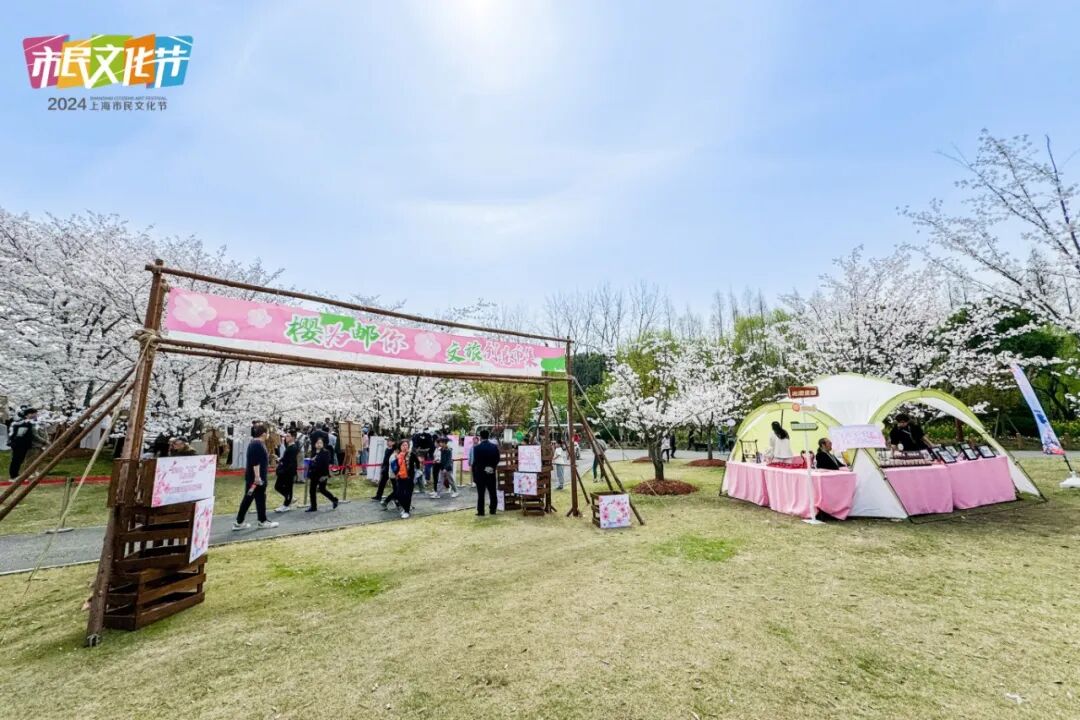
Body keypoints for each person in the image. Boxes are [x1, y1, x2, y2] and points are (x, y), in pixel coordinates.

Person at [233, 425, 279, 531]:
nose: (268, 435)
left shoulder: (256, 444)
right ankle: (261, 521)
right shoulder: (257, 444)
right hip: (256, 479)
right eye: (268, 433)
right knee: (257, 498)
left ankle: (240, 522)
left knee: (251, 498)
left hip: (254, 478)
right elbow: (255, 462)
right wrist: (257, 477)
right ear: (264, 433)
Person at [385, 439, 419, 519]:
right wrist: (396, 473)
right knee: (399, 494)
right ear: (400, 447)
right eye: (403, 445)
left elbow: (417, 463)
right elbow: (396, 466)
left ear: (408, 446)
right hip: (400, 478)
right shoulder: (399, 455)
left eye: (406, 445)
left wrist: (416, 470)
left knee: (408, 495)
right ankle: (405, 508)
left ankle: (406, 511)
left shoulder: (412, 454)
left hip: (409, 478)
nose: (404, 447)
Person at [472, 429, 501, 516]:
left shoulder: (476, 448)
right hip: (491, 472)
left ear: (480, 437)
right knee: (492, 492)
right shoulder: (494, 447)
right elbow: (497, 459)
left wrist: (475, 474)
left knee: (481, 494)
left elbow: (476, 462)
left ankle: (481, 511)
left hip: (480, 473)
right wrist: (492, 467)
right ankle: (493, 510)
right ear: (488, 436)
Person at [305, 437, 339, 512]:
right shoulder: (313, 452)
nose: (319, 444)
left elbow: (325, 465)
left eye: (320, 443)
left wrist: (325, 475)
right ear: (314, 444)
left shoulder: (326, 452)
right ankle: (313, 507)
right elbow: (311, 463)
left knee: (322, 489)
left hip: (322, 474)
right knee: (312, 490)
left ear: (323, 444)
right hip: (314, 474)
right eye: (317, 443)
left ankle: (334, 499)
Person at [8, 408, 42, 480]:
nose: (36, 415)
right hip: (18, 444)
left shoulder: (30, 423)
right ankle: (13, 476)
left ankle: (16, 475)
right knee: (16, 460)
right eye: (34, 413)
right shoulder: (20, 422)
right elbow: (17, 433)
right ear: (29, 414)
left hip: (25, 445)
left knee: (20, 460)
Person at [274, 431, 299, 512]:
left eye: (288, 436)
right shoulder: (290, 447)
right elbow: (286, 459)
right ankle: (289, 499)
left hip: (287, 472)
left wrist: (284, 470)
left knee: (284, 487)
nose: (285, 438)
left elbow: (291, 462)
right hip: (285, 470)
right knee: (279, 487)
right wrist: (279, 459)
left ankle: (286, 504)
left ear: (293, 437)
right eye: (286, 436)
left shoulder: (293, 448)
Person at [412, 427, 435, 493]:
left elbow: (429, 446)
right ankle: (418, 485)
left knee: (420, 470)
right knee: (418, 470)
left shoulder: (427, 435)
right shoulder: (418, 435)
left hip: (423, 453)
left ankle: (422, 486)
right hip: (420, 453)